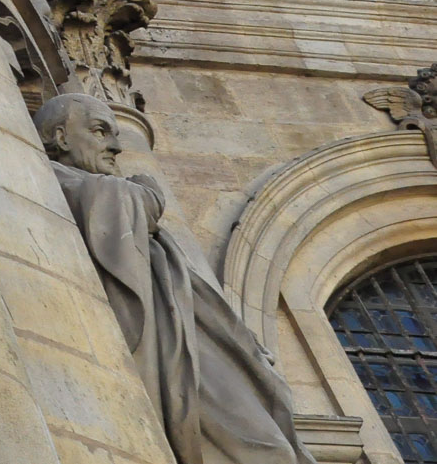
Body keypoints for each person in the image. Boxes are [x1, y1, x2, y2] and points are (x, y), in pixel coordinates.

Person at [35, 93, 315, 464]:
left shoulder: (104, 189)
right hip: (163, 340)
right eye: (100, 131)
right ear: (61, 137)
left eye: (116, 133)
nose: (116, 146)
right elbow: (116, 202)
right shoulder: (50, 177)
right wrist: (146, 192)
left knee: (269, 443)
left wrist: (239, 339)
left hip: (183, 334)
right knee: (263, 449)